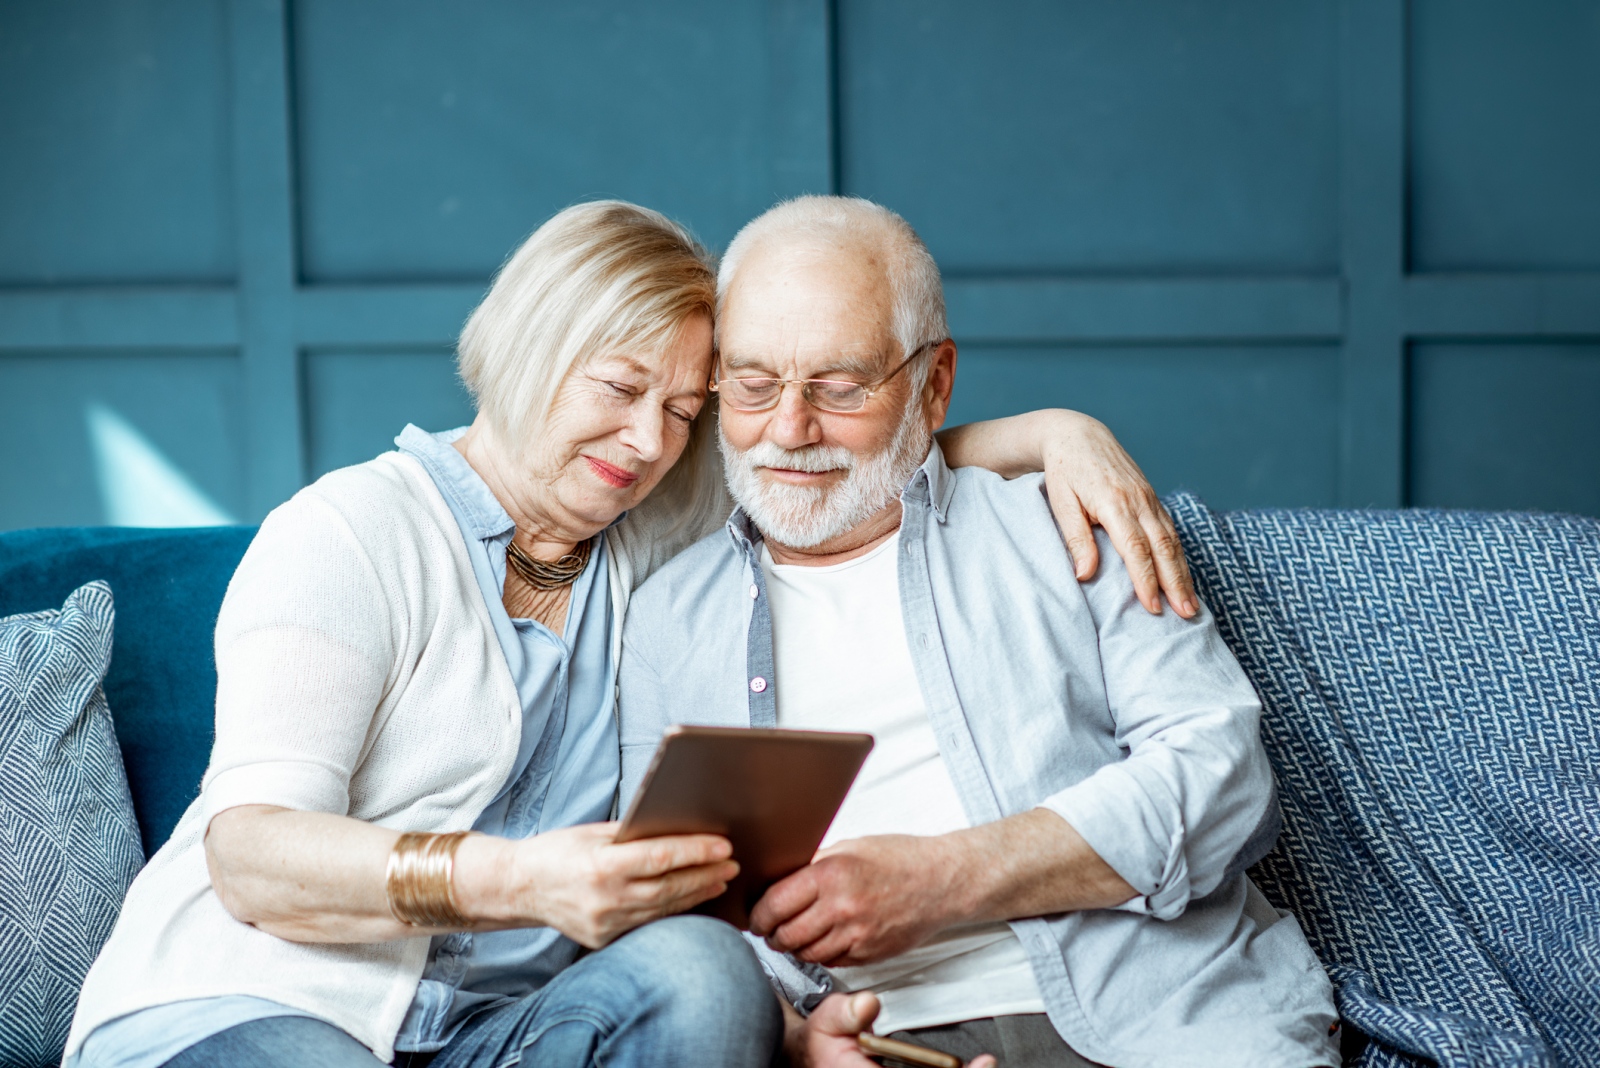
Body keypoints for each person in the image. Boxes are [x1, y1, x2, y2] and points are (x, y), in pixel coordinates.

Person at [64, 200, 1194, 1068]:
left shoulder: (639, 533)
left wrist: (1057, 433)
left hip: (496, 1035)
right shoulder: (352, 531)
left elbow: (834, 456)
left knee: (706, 974)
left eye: (687, 410)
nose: (650, 439)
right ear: (526, 348)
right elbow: (251, 855)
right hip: (264, 1006)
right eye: (617, 387)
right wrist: (514, 882)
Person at [617, 196, 1340, 1068]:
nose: (789, 430)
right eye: (754, 382)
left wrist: (946, 877)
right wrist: (793, 1035)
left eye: (841, 388)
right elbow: (665, 908)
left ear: (934, 384)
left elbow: (1222, 776)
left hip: (1161, 1017)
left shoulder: (1066, 523)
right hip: (869, 1044)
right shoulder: (666, 617)